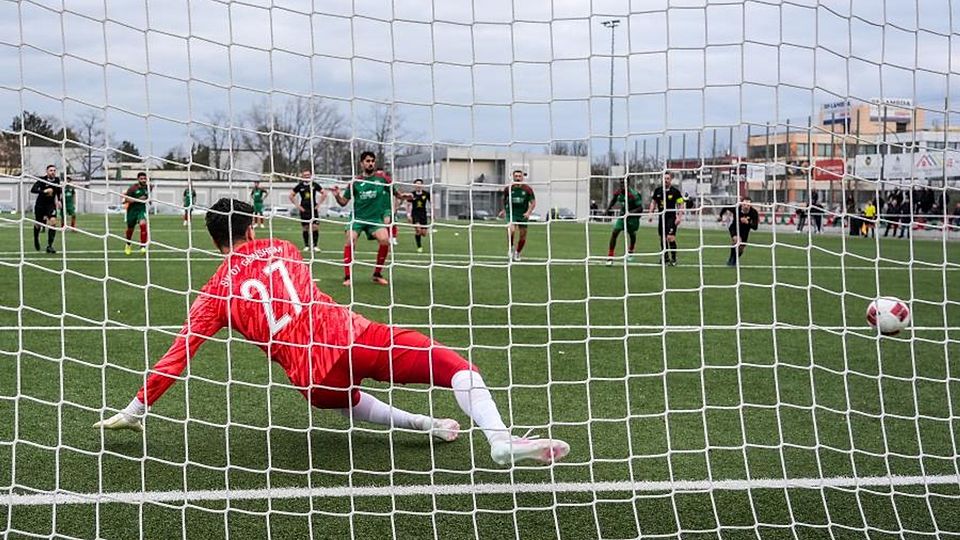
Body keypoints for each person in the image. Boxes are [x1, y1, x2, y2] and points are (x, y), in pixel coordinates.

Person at [92, 199, 570, 466]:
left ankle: (427, 424)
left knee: (346, 399)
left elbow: (179, 355)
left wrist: (135, 409)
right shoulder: (283, 247)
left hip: (311, 381)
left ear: (214, 239)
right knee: (456, 368)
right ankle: (500, 439)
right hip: (349, 336)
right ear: (253, 227)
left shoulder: (215, 292)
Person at [332, 151, 408, 286]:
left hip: (374, 220)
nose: (371, 163)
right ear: (362, 163)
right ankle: (347, 276)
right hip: (357, 219)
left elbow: (396, 193)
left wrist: (404, 197)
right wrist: (337, 195)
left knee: (385, 240)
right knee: (350, 240)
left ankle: (377, 274)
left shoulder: (383, 179)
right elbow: (343, 202)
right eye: (367, 161)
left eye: (372, 161)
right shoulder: (355, 182)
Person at [498, 169, 536, 262]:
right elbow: (503, 199)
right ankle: (510, 248)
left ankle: (518, 252)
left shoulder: (527, 189)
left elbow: (533, 202)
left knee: (523, 236)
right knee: (511, 230)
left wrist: (528, 212)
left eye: (519, 176)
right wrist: (503, 210)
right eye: (516, 176)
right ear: (513, 177)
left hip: (522, 214)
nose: (518, 178)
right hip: (512, 213)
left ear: (522, 177)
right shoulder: (509, 188)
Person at [604, 179, 642, 266]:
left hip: (632, 218)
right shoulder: (618, 192)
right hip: (622, 216)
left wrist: (629, 213)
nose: (621, 184)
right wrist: (608, 209)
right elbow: (614, 200)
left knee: (632, 234)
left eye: (623, 183)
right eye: (620, 183)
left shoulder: (634, 194)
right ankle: (610, 257)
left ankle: (631, 250)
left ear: (628, 183)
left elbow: (640, 208)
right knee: (615, 232)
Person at [649, 171, 684, 266]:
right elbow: (653, 202)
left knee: (670, 237)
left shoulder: (675, 192)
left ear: (671, 180)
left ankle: (674, 258)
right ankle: (665, 258)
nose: (666, 180)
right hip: (662, 217)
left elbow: (681, 204)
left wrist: (679, 217)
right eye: (664, 179)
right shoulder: (658, 191)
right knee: (662, 239)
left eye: (668, 179)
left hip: (671, 217)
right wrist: (650, 213)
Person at [289, 170, 325, 251]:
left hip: (313, 208)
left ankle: (315, 246)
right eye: (305, 175)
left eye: (308, 175)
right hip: (304, 209)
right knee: (305, 227)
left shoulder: (314, 184)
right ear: (302, 176)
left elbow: (324, 193)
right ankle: (306, 245)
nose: (307, 176)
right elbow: (291, 196)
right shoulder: (300, 186)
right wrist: (298, 206)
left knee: (315, 227)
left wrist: (319, 204)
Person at [719, 197, 759, 266]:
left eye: (748, 205)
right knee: (737, 240)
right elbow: (726, 206)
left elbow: (755, 227)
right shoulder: (736, 208)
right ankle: (731, 260)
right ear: (741, 204)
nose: (746, 206)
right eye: (744, 204)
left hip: (745, 231)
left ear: (750, 205)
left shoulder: (754, 212)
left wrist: (748, 223)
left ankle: (734, 259)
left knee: (741, 248)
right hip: (734, 227)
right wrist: (720, 215)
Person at [31, 164, 61, 253]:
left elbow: (58, 191)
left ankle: (50, 246)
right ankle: (36, 238)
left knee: (53, 222)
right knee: (38, 224)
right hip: (40, 205)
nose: (53, 172)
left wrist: (59, 200)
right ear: (47, 172)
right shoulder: (41, 180)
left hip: (50, 205)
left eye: (54, 170)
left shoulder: (57, 180)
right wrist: (44, 191)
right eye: (51, 170)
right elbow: (33, 190)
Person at [123, 172, 150, 255]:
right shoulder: (132, 188)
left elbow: (146, 196)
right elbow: (126, 200)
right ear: (138, 179)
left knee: (143, 225)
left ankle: (143, 246)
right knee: (130, 229)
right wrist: (138, 199)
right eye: (141, 179)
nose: (143, 180)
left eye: (145, 178)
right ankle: (128, 244)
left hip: (141, 210)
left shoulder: (148, 188)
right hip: (132, 211)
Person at [407, 179, 431, 253]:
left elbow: (431, 202)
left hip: (423, 214)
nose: (418, 185)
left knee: (423, 233)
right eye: (417, 184)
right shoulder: (412, 194)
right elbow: (408, 204)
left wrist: (432, 213)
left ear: (422, 185)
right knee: (418, 230)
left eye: (420, 184)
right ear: (414, 185)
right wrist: (408, 214)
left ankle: (420, 234)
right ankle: (419, 246)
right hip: (415, 214)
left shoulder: (426, 194)